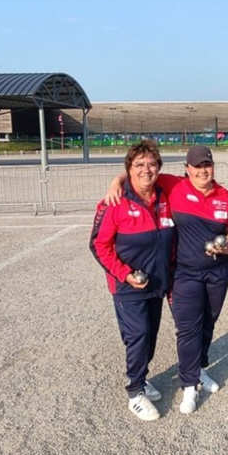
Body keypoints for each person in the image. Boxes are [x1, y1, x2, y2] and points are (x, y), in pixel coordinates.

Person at [105, 144, 228, 415]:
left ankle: (198, 369)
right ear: (186, 169)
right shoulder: (175, 186)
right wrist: (115, 182)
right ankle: (188, 384)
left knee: (207, 324)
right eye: (197, 166)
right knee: (187, 328)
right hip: (184, 273)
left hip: (217, 273)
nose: (203, 171)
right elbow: (138, 171)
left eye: (207, 165)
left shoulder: (225, 196)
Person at [90, 140, 175, 422]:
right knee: (137, 335)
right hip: (127, 285)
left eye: (151, 164)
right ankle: (135, 391)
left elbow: (196, 179)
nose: (146, 170)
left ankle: (142, 377)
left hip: (157, 282)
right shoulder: (114, 202)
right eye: (138, 165)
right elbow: (98, 246)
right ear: (129, 169)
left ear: (159, 168)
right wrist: (125, 274)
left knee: (149, 336)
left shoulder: (164, 195)